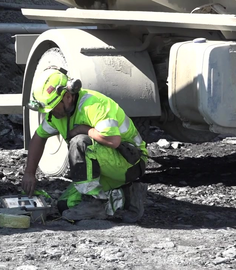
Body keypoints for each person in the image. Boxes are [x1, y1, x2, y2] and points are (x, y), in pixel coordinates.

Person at [22, 66, 148, 222]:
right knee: (66, 205)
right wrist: (29, 173)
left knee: (80, 142)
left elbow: (113, 141)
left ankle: (94, 203)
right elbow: (39, 137)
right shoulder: (57, 114)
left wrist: (84, 129)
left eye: (53, 108)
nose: (51, 113)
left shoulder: (93, 105)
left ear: (68, 96)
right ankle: (127, 196)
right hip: (107, 166)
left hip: (130, 162)